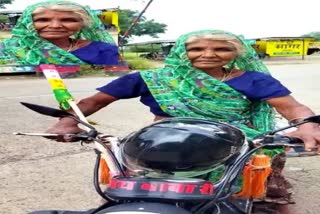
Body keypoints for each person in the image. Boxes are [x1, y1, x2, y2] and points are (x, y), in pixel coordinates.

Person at [47, 29, 320, 213]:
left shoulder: (253, 79)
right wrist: (68, 122)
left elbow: (292, 108)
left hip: (236, 144)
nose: (209, 54)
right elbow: (90, 103)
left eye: (221, 49)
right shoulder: (151, 79)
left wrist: (306, 126)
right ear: (180, 50)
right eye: (196, 48)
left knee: (269, 196)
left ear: (237, 52)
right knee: (127, 188)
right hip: (167, 143)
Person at [0, 0, 119, 66]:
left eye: (67, 20)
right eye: (42, 20)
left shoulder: (105, 50)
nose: (55, 26)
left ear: (82, 24)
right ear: (28, 23)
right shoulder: (6, 49)